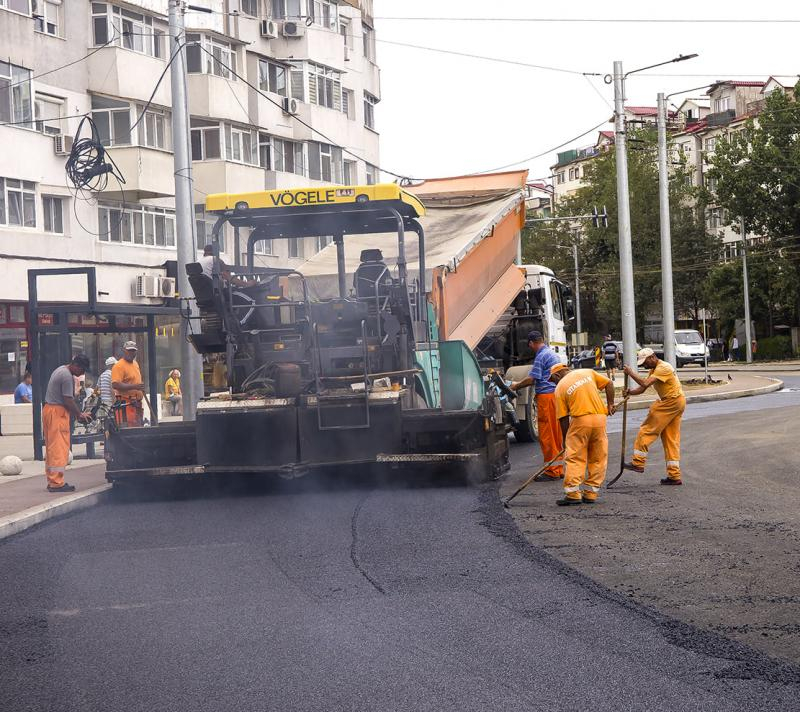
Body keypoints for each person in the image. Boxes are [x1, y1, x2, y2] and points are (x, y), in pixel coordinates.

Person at [549, 363, 616, 506]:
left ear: (557, 375)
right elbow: (609, 383)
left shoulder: (560, 387)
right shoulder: (587, 372)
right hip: (599, 419)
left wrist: (566, 440)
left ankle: (573, 494)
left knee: (575, 457)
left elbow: (563, 418)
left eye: (552, 379)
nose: (553, 382)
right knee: (598, 456)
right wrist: (610, 404)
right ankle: (591, 493)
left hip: (580, 421)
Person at [623, 347, 686, 486]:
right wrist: (630, 392)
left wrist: (630, 372)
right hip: (677, 402)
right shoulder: (654, 369)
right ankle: (674, 475)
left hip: (670, 401)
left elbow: (644, 383)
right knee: (670, 439)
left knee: (646, 430)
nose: (644, 365)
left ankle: (638, 462)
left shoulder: (664, 367)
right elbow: (643, 388)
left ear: (652, 357)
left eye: (645, 362)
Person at [510, 331, 565, 481]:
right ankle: (558, 468)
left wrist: (515, 386)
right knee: (556, 434)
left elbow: (532, 379)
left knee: (547, 436)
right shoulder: (552, 354)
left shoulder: (541, 356)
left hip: (546, 399)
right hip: (555, 396)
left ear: (531, 343)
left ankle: (552, 471)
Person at [43, 354, 92, 492]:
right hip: (57, 412)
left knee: (52, 447)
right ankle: (56, 482)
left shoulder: (60, 370)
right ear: (76, 365)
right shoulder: (66, 376)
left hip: (50, 410)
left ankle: (52, 479)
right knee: (59, 447)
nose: (82, 373)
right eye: (82, 369)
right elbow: (68, 399)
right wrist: (79, 414)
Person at [111, 341, 145, 428]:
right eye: (129, 351)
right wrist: (135, 386)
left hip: (136, 403)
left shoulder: (135, 364)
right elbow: (115, 384)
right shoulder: (118, 366)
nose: (131, 353)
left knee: (138, 428)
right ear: (124, 351)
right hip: (126, 404)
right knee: (128, 429)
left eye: (133, 351)